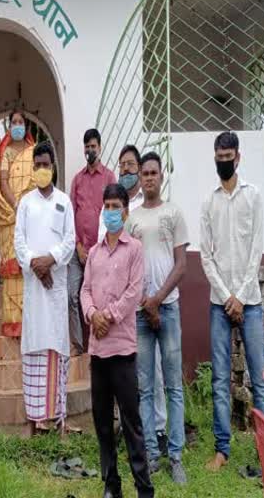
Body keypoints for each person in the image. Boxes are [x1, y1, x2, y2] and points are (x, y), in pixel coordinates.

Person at [200, 131, 264, 471]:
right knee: (220, 378)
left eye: (228, 156)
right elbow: (206, 257)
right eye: (218, 156)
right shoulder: (209, 202)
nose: (223, 162)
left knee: (260, 377)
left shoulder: (253, 197)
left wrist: (240, 297)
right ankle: (222, 450)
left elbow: (256, 250)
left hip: (251, 302)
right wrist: (227, 297)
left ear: (238, 158)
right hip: (219, 303)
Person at [81, 184, 153, 498]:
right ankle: (112, 486)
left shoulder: (134, 249)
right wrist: (91, 313)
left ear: (125, 211)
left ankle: (143, 488)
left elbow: (133, 293)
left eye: (116, 206)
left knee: (132, 422)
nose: (111, 211)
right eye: (106, 206)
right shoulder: (94, 253)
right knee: (102, 424)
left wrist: (106, 316)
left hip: (122, 351)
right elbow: (84, 290)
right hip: (98, 353)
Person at [99, 145, 170, 456]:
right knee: (129, 375)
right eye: (123, 166)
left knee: (152, 372)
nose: (127, 170)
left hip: (150, 300)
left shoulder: (149, 207)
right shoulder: (118, 209)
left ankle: (158, 428)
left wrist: (150, 301)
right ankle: (128, 426)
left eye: (132, 166)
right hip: (125, 305)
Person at [125, 152, 189, 484]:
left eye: (153, 172)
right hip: (139, 313)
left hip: (168, 308)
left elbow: (181, 265)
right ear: (140, 178)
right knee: (145, 387)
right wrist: (144, 304)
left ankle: (175, 456)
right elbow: (128, 269)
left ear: (161, 176)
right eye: (144, 173)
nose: (148, 177)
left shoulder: (173, 213)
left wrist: (157, 300)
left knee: (174, 386)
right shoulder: (132, 219)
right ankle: (151, 453)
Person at [14, 142, 75, 437]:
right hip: (35, 291)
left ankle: (58, 421)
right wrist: (35, 266)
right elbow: (18, 242)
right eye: (37, 165)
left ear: (54, 167)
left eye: (46, 164)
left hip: (55, 289)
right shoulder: (25, 203)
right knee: (34, 350)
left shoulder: (64, 201)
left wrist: (50, 261)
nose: (41, 169)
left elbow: (70, 240)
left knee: (57, 349)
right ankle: (35, 423)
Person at [68, 128, 117, 355]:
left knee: (99, 296)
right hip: (78, 251)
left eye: (93, 146)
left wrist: (99, 248)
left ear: (100, 147)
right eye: (87, 146)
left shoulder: (109, 177)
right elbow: (71, 215)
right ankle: (78, 344)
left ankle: (99, 343)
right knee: (72, 295)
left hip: (101, 250)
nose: (90, 150)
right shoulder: (77, 180)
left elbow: (113, 213)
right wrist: (78, 245)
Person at [0, 108, 37, 337]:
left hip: (33, 217)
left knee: (29, 265)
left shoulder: (34, 152)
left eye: (21, 122)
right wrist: (17, 206)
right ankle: (13, 324)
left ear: (26, 127)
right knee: (13, 266)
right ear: (10, 127)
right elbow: (2, 183)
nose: (17, 125)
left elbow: (40, 182)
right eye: (14, 122)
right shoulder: (6, 153)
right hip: (12, 214)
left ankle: (31, 321)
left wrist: (29, 208)